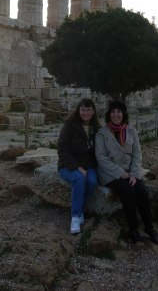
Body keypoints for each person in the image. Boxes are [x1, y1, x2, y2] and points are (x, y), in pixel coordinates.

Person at [95, 100, 158, 245]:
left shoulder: (132, 131)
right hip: (110, 173)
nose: (116, 114)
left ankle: (149, 228)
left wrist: (134, 174)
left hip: (130, 172)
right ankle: (133, 229)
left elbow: (137, 154)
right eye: (113, 112)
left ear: (123, 114)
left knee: (142, 191)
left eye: (118, 112)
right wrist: (121, 173)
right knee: (128, 192)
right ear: (109, 114)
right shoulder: (102, 133)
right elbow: (101, 158)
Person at [58, 98, 100, 235]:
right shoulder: (69, 125)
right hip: (69, 165)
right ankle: (75, 216)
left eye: (88, 109)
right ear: (78, 110)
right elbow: (62, 149)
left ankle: (80, 209)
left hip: (89, 165)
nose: (85, 112)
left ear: (93, 111)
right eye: (83, 109)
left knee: (92, 181)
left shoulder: (96, 127)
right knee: (79, 179)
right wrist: (76, 167)